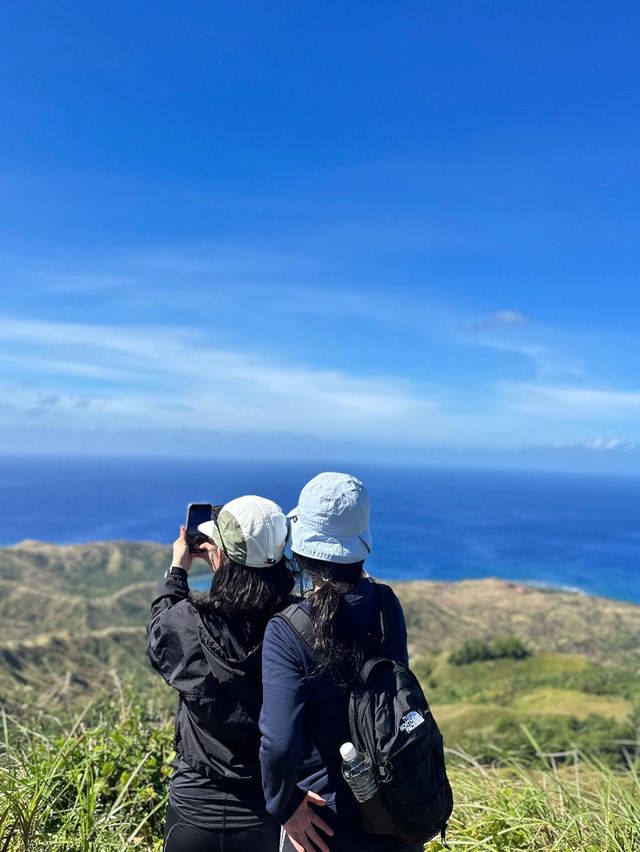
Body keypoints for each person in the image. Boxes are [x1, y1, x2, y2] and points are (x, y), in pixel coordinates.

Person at [259, 472, 423, 852]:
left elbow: (279, 743)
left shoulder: (286, 630)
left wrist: (284, 806)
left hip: (325, 824)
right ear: (359, 547)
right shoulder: (386, 604)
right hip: (397, 811)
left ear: (302, 548)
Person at [147, 495, 293, 852]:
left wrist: (178, 571)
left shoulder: (187, 623)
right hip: (269, 810)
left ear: (221, 555)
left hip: (193, 806)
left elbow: (159, 630)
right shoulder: (295, 628)